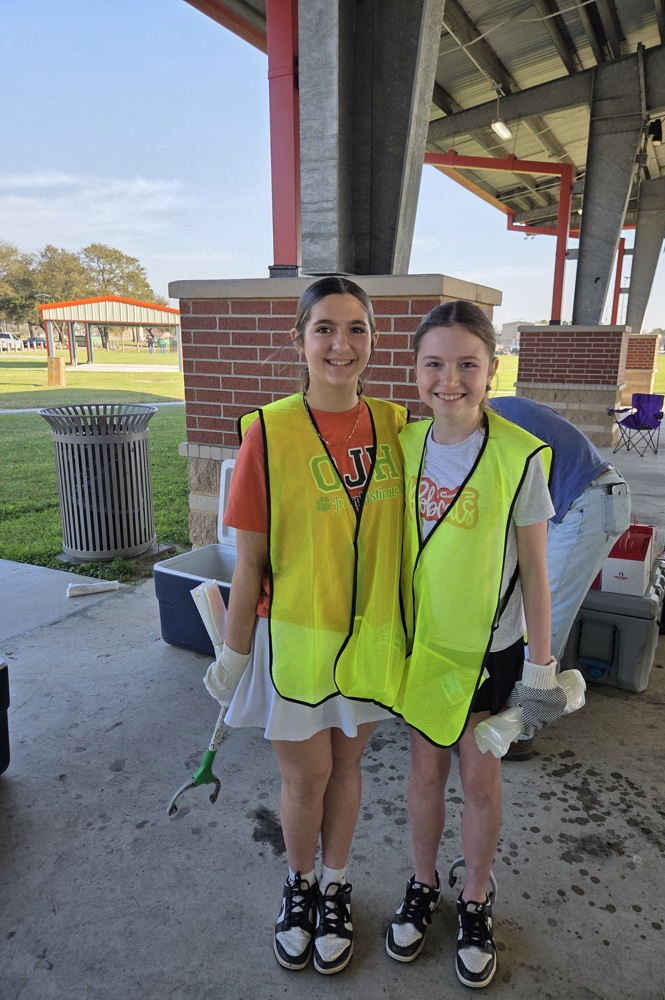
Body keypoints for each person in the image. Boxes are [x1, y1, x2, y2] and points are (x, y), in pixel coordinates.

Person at [203, 276, 408, 976]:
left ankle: (336, 884)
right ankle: (300, 885)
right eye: (324, 328)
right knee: (305, 776)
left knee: (347, 766)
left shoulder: (398, 426)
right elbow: (250, 560)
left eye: (356, 329)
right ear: (299, 340)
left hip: (371, 638)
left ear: (373, 340)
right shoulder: (269, 432)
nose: (340, 345)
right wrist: (234, 655)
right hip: (294, 637)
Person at [387, 300, 558, 989]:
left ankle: (477, 898)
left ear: (491, 370)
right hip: (425, 649)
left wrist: (541, 667)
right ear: (415, 369)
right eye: (434, 363)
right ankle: (424, 883)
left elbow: (537, 571)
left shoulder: (518, 457)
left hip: (490, 653)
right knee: (425, 774)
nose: (449, 379)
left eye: (467, 364)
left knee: (480, 778)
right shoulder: (402, 447)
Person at [489, 396, 631, 759]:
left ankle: (521, 729)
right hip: (581, 497)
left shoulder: (492, 424)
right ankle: (521, 706)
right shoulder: (507, 406)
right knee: (531, 613)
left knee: (546, 617)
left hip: (588, 502)